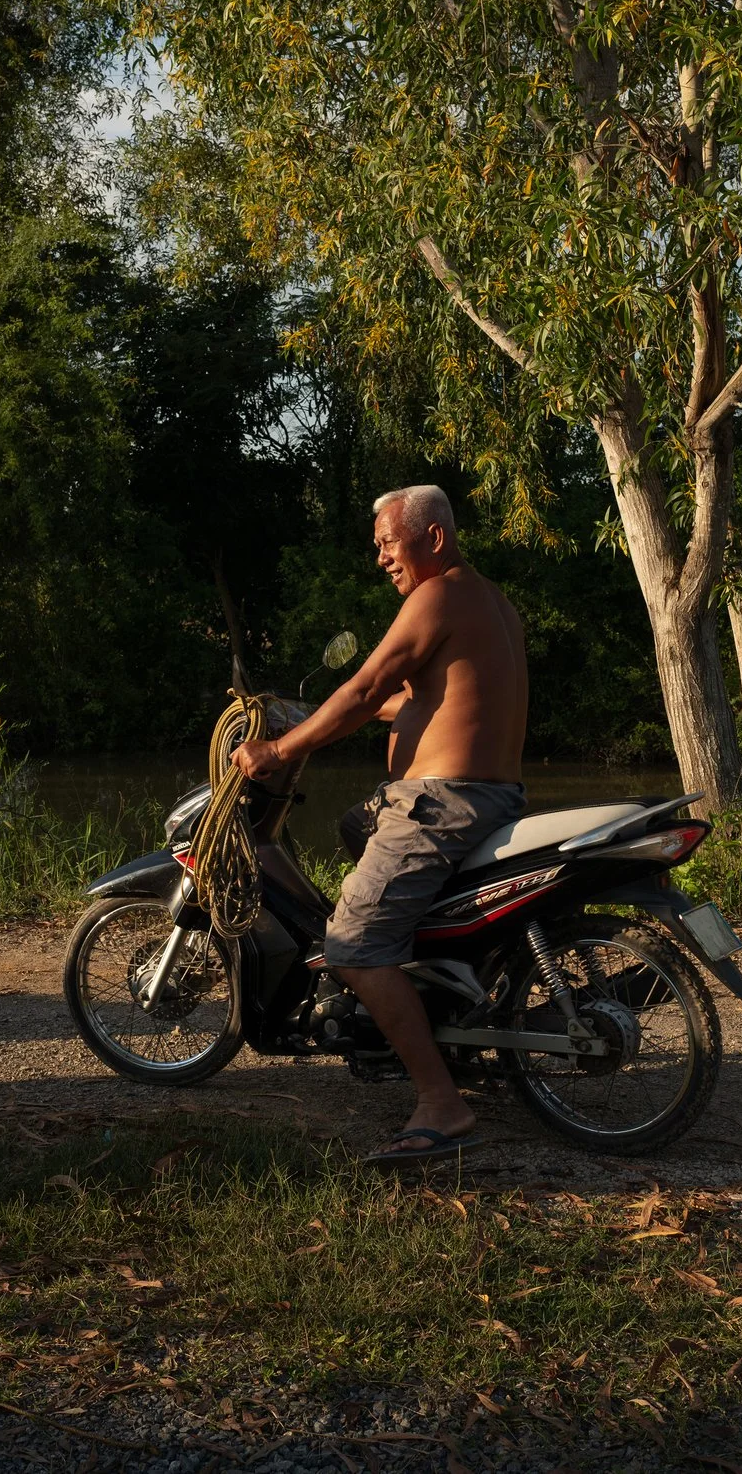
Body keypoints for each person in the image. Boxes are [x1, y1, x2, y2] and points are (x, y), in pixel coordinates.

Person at [231, 484, 529, 1163]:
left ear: (432, 538)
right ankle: (436, 1003)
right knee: (352, 825)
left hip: (440, 805)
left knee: (354, 943)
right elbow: (428, 700)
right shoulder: (490, 601)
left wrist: (278, 749)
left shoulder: (438, 595)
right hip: (481, 796)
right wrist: (302, 714)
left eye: (388, 545)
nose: (381, 560)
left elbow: (366, 689)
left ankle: (441, 1104)